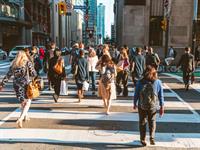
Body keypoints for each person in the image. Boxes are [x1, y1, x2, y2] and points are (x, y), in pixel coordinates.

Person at [0, 51, 37, 128]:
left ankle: (25, 116)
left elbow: (7, 76)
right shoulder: (27, 63)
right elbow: (34, 73)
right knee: (28, 101)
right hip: (26, 85)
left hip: (16, 86)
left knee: (23, 102)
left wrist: (2, 85)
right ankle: (21, 118)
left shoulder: (14, 64)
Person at [133, 65, 164, 146]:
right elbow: (161, 95)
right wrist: (162, 106)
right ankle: (152, 138)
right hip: (153, 106)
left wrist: (134, 103)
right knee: (152, 121)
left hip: (142, 105)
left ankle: (142, 139)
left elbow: (136, 94)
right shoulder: (158, 82)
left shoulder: (140, 82)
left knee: (142, 122)